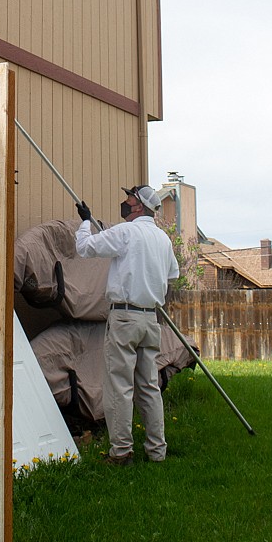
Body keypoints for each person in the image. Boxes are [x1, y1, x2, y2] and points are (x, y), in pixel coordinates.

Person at [74, 185, 180, 466]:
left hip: (124, 318)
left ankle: (121, 453)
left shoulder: (126, 233)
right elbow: (172, 276)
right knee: (148, 386)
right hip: (150, 320)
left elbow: (85, 248)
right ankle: (157, 452)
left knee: (120, 386)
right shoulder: (163, 240)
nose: (124, 201)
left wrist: (85, 222)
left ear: (139, 206)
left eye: (129, 198)